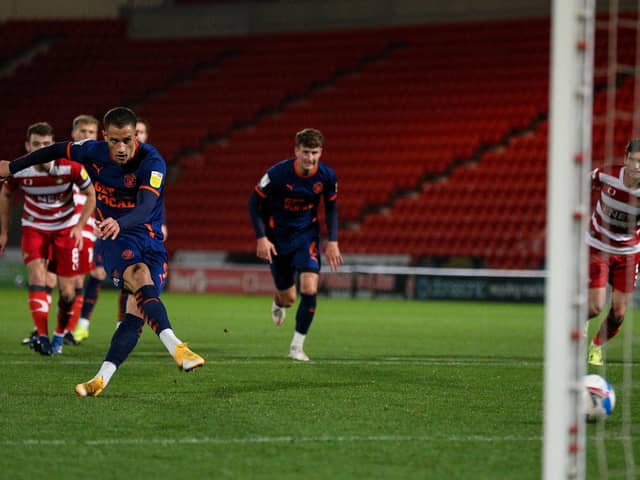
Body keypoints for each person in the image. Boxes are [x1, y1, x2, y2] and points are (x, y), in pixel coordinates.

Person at [0, 106, 204, 396]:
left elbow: (146, 207)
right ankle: (176, 346)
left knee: (136, 313)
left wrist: (119, 221)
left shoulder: (152, 161)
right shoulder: (91, 151)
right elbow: (54, 149)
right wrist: (13, 167)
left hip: (147, 237)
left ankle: (100, 379)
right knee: (139, 274)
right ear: (104, 136)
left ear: (136, 136)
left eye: (128, 140)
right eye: (114, 141)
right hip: (115, 237)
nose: (121, 148)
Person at [0, 122, 96, 355]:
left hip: (65, 230)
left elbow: (91, 194)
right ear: (27, 146)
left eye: (45, 145)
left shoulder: (70, 167)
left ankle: (59, 335)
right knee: (37, 274)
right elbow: (5, 194)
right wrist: (3, 231)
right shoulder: (21, 169)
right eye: (36, 145)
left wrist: (80, 225)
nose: (41, 149)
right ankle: (41, 336)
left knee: (67, 292)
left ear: (52, 145)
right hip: (34, 228)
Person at [248, 128, 343, 361]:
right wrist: (261, 237)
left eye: (315, 153)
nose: (310, 158)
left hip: (306, 236)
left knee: (310, 288)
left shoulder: (327, 177)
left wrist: (333, 241)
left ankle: (297, 347)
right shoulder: (278, 174)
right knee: (288, 299)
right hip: (278, 238)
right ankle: (277, 302)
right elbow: (253, 204)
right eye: (305, 152)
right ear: (296, 151)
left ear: (321, 152)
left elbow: (331, 208)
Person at [72, 115, 165, 343]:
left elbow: (151, 203)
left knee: (132, 278)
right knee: (95, 273)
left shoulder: (149, 163)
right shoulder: (104, 161)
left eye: (140, 134)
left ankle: (121, 325)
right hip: (105, 227)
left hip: (136, 231)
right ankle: (82, 324)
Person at [586, 138, 640, 366]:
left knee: (618, 312)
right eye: (635, 161)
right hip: (598, 245)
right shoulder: (605, 175)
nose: (638, 167)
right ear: (626, 158)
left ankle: (595, 347)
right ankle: (580, 321)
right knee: (596, 307)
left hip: (628, 252)